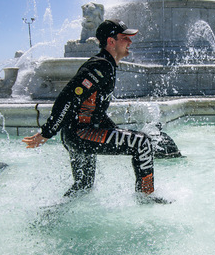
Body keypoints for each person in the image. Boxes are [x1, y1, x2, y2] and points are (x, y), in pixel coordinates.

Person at [23, 19, 168, 203]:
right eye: (125, 38)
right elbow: (68, 97)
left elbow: (94, 109)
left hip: (76, 133)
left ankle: (49, 218)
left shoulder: (107, 65)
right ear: (111, 41)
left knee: (83, 186)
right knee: (142, 143)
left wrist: (113, 130)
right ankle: (147, 199)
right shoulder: (101, 66)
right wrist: (47, 131)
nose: (130, 42)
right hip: (81, 133)